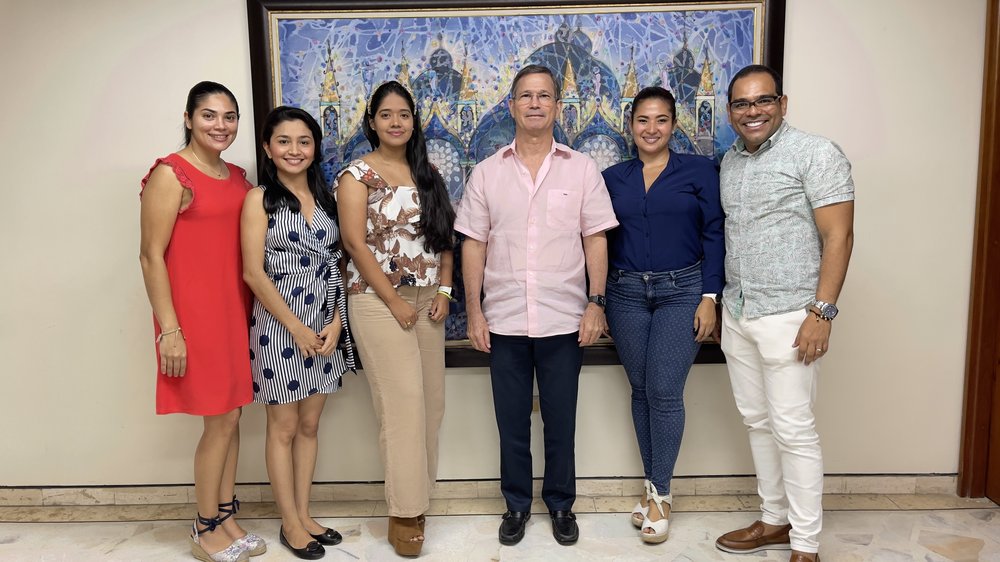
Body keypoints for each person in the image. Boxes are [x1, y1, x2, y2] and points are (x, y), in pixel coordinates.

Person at [455, 64, 619, 547]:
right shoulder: (487, 173)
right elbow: (473, 245)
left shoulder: (582, 168)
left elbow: (596, 239)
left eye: (543, 96)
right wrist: (475, 311)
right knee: (511, 423)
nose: (533, 103)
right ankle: (516, 505)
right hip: (503, 319)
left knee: (560, 420)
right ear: (511, 106)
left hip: (564, 320)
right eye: (525, 95)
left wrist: (596, 304)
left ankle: (562, 505)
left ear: (556, 107)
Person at [714, 65, 855, 562]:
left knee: (794, 430)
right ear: (730, 111)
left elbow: (839, 236)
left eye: (762, 101)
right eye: (741, 104)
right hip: (740, 311)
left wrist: (822, 312)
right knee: (757, 422)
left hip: (792, 315)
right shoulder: (729, 161)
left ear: (783, 103)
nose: (752, 112)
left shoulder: (815, 153)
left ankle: (805, 544)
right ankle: (774, 520)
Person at [139, 81, 265, 562]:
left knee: (232, 415)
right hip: (194, 316)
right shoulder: (171, 174)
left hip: (234, 311)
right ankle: (203, 525)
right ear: (190, 118)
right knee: (219, 421)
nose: (221, 125)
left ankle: (225, 514)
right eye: (210, 115)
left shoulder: (237, 176)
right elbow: (151, 256)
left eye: (229, 116)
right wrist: (169, 329)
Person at [335, 80, 455, 557]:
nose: (396, 122)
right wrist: (396, 302)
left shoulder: (426, 172)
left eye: (403, 113)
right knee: (402, 404)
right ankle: (404, 511)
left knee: (432, 405)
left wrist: (444, 289)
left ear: (413, 120)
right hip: (378, 299)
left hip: (430, 299)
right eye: (386, 114)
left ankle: (418, 498)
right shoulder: (356, 175)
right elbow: (354, 244)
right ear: (372, 122)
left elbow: (445, 236)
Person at [601, 86, 724, 544]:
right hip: (626, 293)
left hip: (683, 290)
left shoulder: (698, 171)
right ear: (630, 126)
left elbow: (715, 233)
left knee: (665, 391)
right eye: (642, 120)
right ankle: (653, 486)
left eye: (661, 120)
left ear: (674, 125)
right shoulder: (613, 177)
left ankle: (660, 496)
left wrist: (710, 296)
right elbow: (597, 239)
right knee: (641, 390)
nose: (651, 129)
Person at [241, 106, 356, 560]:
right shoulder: (259, 199)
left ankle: (305, 514)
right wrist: (296, 328)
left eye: (304, 141)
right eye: (284, 141)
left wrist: (333, 322)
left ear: (315, 148)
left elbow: (337, 263)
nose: (294, 150)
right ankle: (289, 523)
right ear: (269, 148)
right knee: (284, 427)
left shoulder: (326, 197)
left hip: (323, 329)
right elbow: (253, 273)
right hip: (278, 329)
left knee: (310, 425)